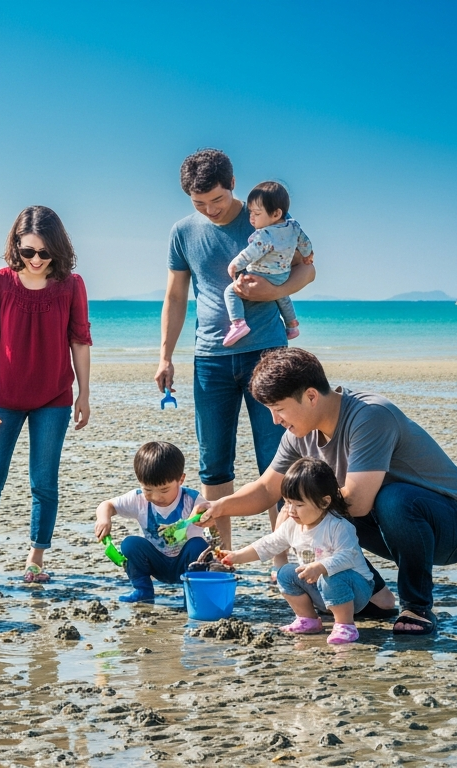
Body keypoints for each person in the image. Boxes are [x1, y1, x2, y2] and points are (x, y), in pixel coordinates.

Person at [196, 348, 457, 636]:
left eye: (279, 409)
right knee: (310, 504)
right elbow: (265, 489)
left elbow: (357, 502)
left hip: (456, 526)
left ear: (311, 396)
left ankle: (416, 606)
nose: (275, 420)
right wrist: (219, 506)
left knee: (381, 499)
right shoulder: (298, 435)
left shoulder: (369, 415)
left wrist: (297, 509)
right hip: (393, 527)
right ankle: (378, 597)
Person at [155, 149, 315, 560]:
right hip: (209, 357)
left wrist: (274, 292)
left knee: (278, 460)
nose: (209, 210)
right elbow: (175, 297)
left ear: (233, 185)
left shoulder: (266, 217)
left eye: (218, 201)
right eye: (199, 204)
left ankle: (285, 562)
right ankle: (221, 557)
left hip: (266, 353)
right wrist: (165, 356)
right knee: (213, 465)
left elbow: (307, 268)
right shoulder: (183, 231)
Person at [0, 205, 92, 584]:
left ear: (57, 250)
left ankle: (35, 560)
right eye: (28, 251)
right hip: (3, 396)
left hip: (54, 398)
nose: (35, 260)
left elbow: (79, 341)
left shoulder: (71, 286)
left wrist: (84, 393)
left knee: (43, 482)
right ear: (16, 246)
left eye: (44, 253)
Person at [220, 458, 373, 645]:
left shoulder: (338, 526)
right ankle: (307, 619)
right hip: (320, 588)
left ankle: (345, 625)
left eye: (299, 505)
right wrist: (237, 556)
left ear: (324, 502)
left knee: (331, 575)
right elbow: (268, 544)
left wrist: (321, 566)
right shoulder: (292, 525)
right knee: (285, 573)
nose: (291, 510)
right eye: (287, 503)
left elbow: (348, 556)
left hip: (355, 590)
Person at [93, 442, 208, 603]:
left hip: (187, 563)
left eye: (164, 490)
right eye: (148, 490)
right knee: (130, 544)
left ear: (181, 479)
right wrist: (104, 519)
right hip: (156, 562)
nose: (156, 497)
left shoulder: (191, 499)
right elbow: (107, 505)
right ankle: (143, 591)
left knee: (198, 545)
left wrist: (204, 516)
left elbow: (211, 513)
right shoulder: (138, 499)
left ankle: (191, 596)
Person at [223, 181, 313, 347]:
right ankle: (292, 324)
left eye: (256, 214)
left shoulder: (265, 235)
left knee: (231, 291)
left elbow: (250, 253)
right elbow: (305, 242)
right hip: (282, 275)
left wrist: (235, 264)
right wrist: (308, 256)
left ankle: (238, 324)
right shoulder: (293, 227)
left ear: (276, 213)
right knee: (281, 295)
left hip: (262, 273)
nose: (251, 217)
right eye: (250, 212)